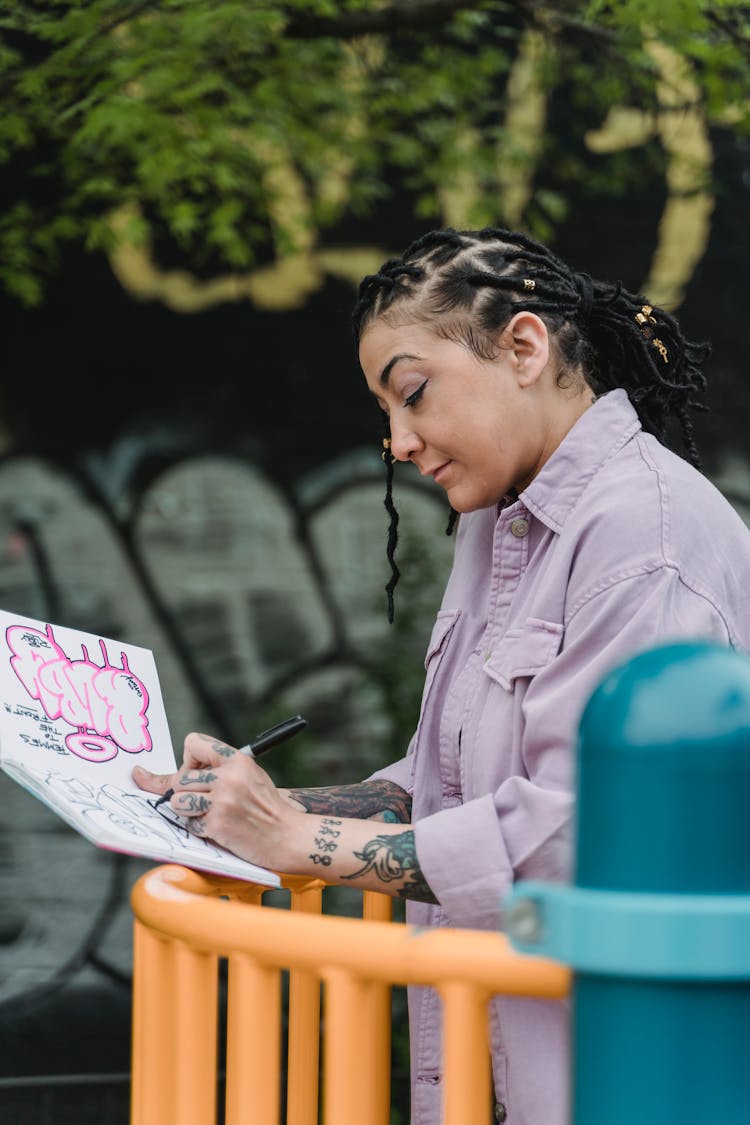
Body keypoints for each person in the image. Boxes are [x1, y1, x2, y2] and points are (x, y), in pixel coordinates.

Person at [133, 226, 750, 1125]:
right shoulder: (500, 517)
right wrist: (247, 807)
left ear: (525, 346)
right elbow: (442, 785)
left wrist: (296, 843)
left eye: (413, 394)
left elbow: (586, 839)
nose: (398, 441)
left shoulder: (643, 532)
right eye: (385, 412)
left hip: (624, 1077)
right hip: (496, 1068)